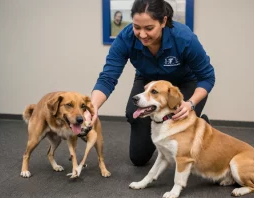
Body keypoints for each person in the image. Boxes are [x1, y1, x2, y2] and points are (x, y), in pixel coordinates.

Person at [91, 0, 215, 166]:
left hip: (184, 83)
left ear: (163, 21)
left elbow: (207, 77)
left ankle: (200, 123)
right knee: (138, 158)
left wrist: (191, 104)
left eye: (149, 28)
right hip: (148, 81)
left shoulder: (184, 38)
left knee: (181, 130)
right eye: (137, 27)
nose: (142, 34)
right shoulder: (125, 39)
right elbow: (108, 77)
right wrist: (92, 108)